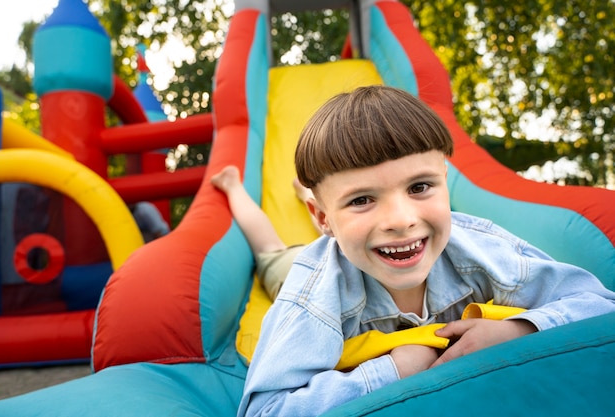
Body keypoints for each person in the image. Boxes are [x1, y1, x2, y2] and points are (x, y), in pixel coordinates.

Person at [237, 85, 615, 416]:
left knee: (360, 233)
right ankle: (243, 191)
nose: (401, 220)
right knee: (272, 252)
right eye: (362, 199)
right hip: (301, 267)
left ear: (445, 180)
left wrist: (518, 329)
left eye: (419, 187)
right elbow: (266, 411)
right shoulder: (309, 300)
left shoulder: (478, 249)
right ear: (322, 217)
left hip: (359, 243)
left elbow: (600, 305)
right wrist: (392, 370)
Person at [211, 165, 319, 301]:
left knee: (334, 234)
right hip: (306, 280)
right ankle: (232, 185)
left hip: (328, 262)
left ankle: (306, 193)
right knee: (269, 248)